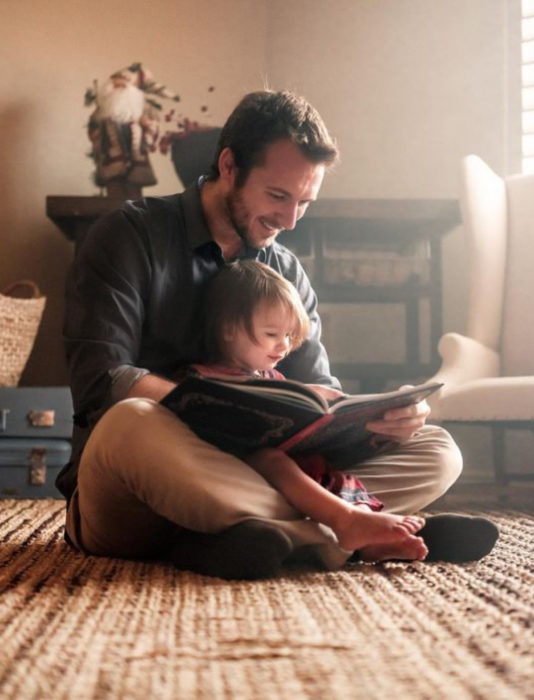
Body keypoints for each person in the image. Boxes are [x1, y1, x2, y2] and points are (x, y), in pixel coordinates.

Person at [58, 89, 497, 580]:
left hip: (255, 483)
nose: (289, 221)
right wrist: (219, 411)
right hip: (137, 491)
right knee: (129, 422)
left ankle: (239, 539)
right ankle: (344, 531)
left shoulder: (284, 269)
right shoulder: (130, 235)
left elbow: (317, 405)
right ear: (229, 166)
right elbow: (102, 381)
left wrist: (378, 422)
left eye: (305, 202)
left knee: (437, 450)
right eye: (277, 196)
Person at [188, 259, 429, 560]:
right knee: (270, 459)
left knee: (331, 472)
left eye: (289, 336)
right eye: (272, 334)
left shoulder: (276, 379)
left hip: (300, 475)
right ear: (229, 329)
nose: (284, 346)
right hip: (241, 478)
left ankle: (366, 537)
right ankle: (347, 524)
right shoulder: (202, 378)